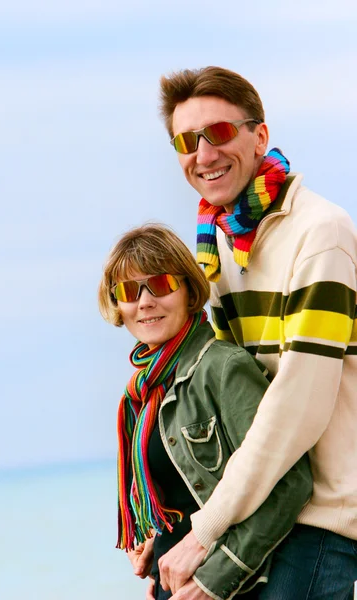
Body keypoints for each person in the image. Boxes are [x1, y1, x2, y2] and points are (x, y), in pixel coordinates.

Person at [157, 66, 357, 599]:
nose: (203, 154)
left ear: (259, 135)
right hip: (262, 516)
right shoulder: (215, 245)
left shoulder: (321, 233)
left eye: (219, 133)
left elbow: (299, 402)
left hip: (321, 521)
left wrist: (205, 531)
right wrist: (165, 518)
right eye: (186, 140)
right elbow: (215, 390)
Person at [98, 223, 312, 600]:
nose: (144, 301)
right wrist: (158, 558)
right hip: (176, 582)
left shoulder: (223, 368)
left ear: (189, 290)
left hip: (230, 586)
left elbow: (290, 483)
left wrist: (211, 582)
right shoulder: (142, 394)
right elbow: (181, 500)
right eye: (129, 291)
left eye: (160, 284)